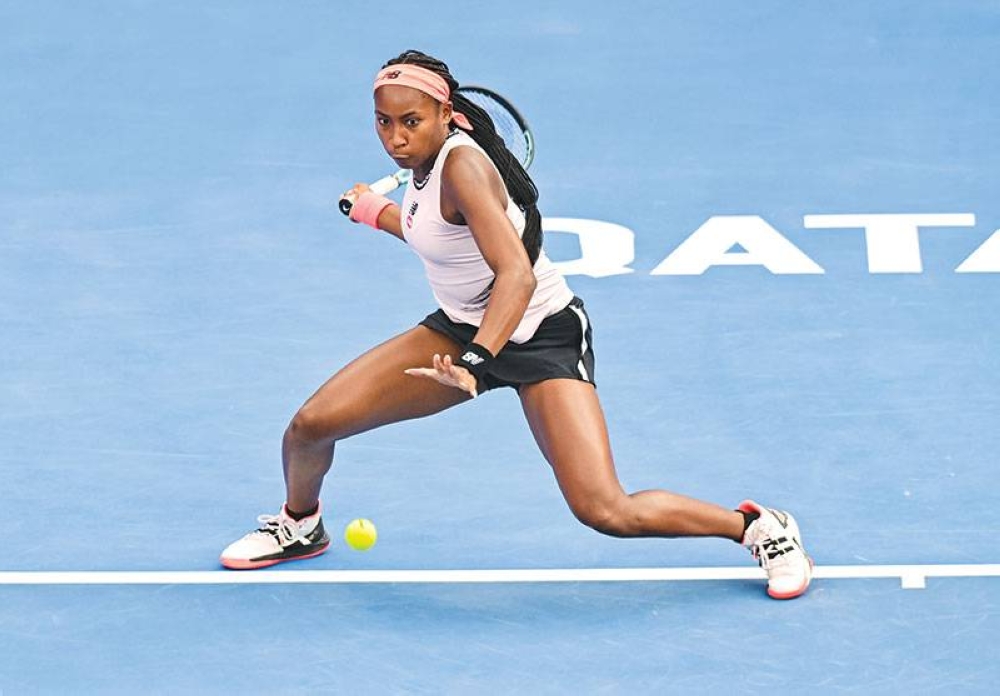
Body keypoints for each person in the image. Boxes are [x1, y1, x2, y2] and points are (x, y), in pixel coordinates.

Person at [219, 50, 813, 600]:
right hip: (461, 330)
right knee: (311, 427)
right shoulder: (427, 165)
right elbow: (438, 234)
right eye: (383, 122)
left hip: (540, 338)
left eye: (411, 122)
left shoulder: (464, 169)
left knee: (605, 509)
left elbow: (516, 277)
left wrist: (477, 360)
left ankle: (758, 528)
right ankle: (301, 525)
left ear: (445, 114)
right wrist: (378, 214)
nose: (396, 138)